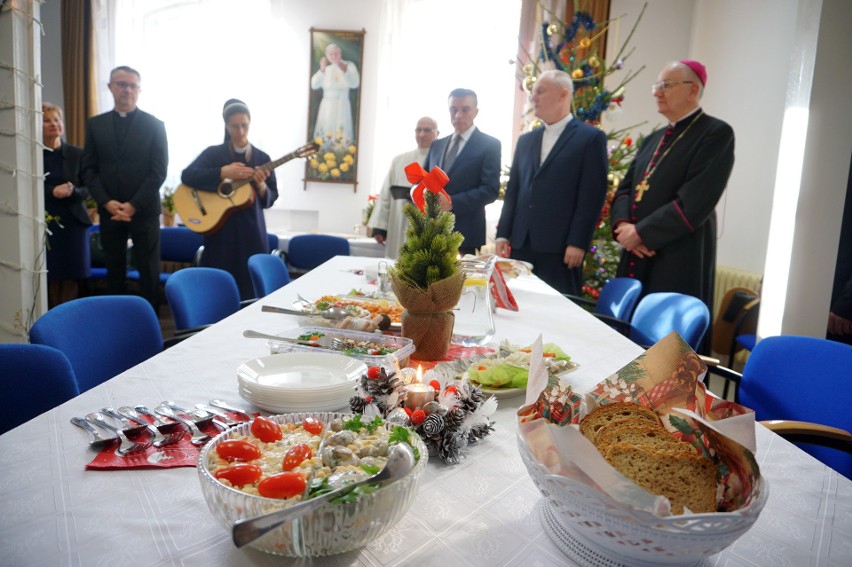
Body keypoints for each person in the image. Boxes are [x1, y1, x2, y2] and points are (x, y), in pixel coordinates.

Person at [611, 60, 735, 349]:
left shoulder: (715, 134)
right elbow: (626, 189)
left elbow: (695, 201)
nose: (657, 92)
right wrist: (623, 226)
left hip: (677, 256)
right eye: (657, 85)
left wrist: (640, 233)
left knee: (666, 351)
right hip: (636, 252)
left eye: (666, 85)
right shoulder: (653, 139)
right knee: (623, 344)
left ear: (692, 90)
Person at [495, 70, 608, 295]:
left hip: (561, 248)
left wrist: (578, 242)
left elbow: (591, 196)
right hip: (521, 243)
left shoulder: (590, 138)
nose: (533, 97)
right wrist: (503, 233)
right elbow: (514, 192)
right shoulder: (526, 140)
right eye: (532, 92)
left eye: (540, 91)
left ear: (563, 94)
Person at [81, 65, 168, 309]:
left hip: (144, 209)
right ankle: (116, 317)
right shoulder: (95, 125)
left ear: (139, 90)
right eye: (122, 84)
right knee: (114, 269)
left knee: (149, 270)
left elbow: (158, 172)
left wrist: (133, 205)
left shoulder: (155, 125)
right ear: (110, 87)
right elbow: (88, 169)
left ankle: (150, 320)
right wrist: (106, 202)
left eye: (133, 86)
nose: (127, 90)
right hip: (110, 209)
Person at [181, 99, 278, 300]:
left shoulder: (262, 158)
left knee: (251, 286)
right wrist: (221, 171)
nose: (241, 131)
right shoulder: (213, 154)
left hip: (252, 232)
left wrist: (260, 185)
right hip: (220, 232)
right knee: (217, 287)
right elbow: (187, 175)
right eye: (235, 126)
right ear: (226, 126)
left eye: (245, 125)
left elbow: (270, 199)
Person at [424, 88, 501, 255]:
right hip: (432, 231)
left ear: (476, 112)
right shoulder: (436, 145)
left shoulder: (490, 145)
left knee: (462, 281)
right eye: (453, 109)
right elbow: (423, 179)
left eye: (465, 109)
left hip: (466, 234)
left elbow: (490, 190)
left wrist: (452, 202)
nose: (458, 115)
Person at [42, 103, 92, 308]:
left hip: (74, 223)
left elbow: (89, 188)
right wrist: (52, 191)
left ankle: (68, 317)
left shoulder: (78, 154)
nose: (54, 124)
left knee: (72, 274)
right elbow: (27, 189)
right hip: (46, 223)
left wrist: (72, 191)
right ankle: (52, 319)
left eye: (57, 119)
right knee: (51, 275)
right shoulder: (31, 154)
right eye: (47, 120)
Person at [368, 116, 439, 257]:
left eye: (427, 130)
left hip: (428, 225)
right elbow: (385, 196)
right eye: (418, 130)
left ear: (437, 133)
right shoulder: (399, 161)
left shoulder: (441, 160)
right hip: (399, 222)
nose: (421, 134)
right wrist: (380, 228)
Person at [311, 43, 360, 144]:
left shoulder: (349, 65)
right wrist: (322, 70)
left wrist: (343, 68)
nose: (333, 56)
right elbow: (314, 85)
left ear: (340, 53)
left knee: (341, 131)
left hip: (342, 103)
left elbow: (355, 84)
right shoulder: (326, 69)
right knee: (326, 131)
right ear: (327, 55)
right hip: (327, 105)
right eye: (330, 54)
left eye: (335, 53)